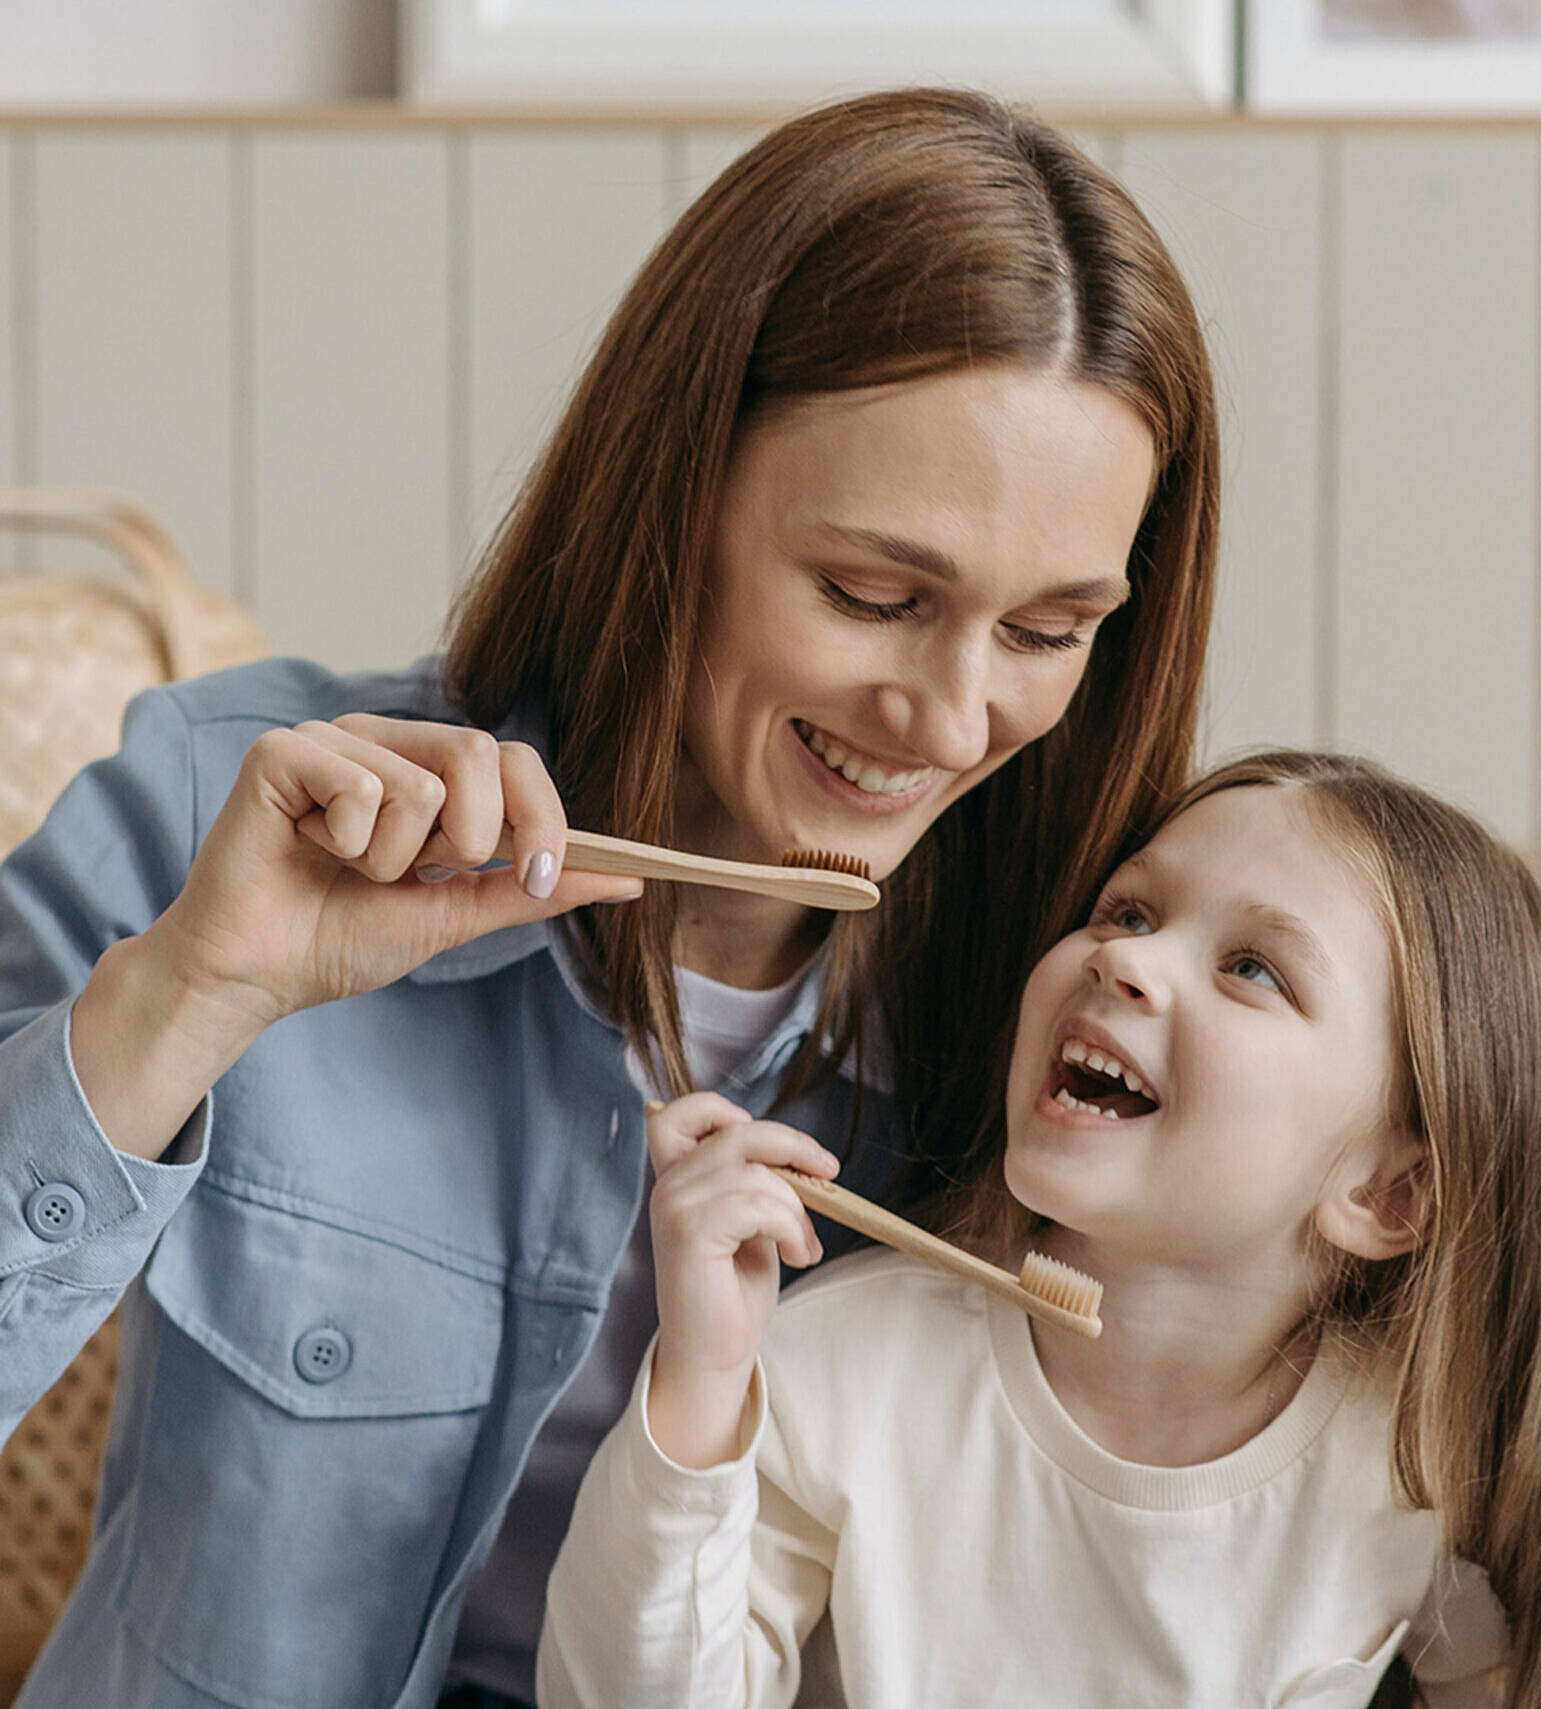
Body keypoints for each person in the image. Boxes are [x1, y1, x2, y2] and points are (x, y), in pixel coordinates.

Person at [0, 89, 1219, 1709]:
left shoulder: (1077, 1023)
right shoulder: (222, 809)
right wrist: (188, 994)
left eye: (1048, 629)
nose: (945, 717)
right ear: (672, 496)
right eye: (872, 593)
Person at [541, 750, 1541, 1709]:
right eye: (1128, 908)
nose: (1123, 956)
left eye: (1251, 967)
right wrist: (698, 1383)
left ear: (1388, 1195)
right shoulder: (836, 1371)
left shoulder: (1411, 1466)